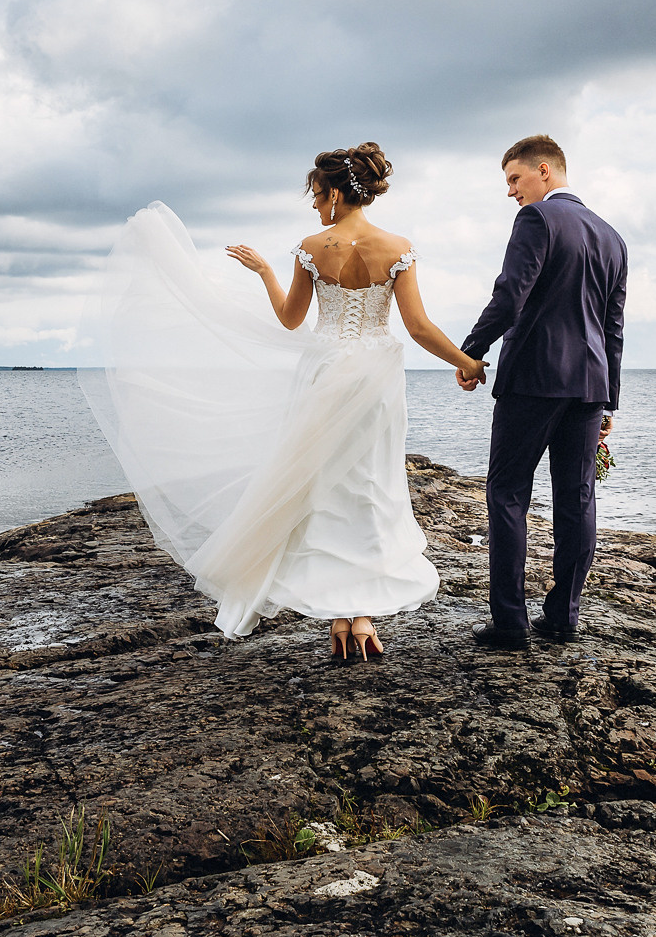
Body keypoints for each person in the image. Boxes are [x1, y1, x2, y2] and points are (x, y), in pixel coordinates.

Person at [80, 142, 483, 660]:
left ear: (336, 193)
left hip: (324, 371)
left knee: (323, 489)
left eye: (317, 196)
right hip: (376, 378)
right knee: (370, 485)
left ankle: (342, 615)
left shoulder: (312, 248)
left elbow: (291, 321)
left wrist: (268, 273)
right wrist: (466, 362)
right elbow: (419, 327)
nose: (315, 206)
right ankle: (361, 613)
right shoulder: (397, 246)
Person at [455, 134, 627, 650]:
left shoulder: (537, 220)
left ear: (545, 170)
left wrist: (470, 351)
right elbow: (613, 327)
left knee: (507, 494)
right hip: (590, 386)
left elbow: (511, 293)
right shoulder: (612, 236)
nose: (511, 192)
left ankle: (510, 622)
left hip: (533, 378)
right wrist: (609, 399)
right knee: (577, 498)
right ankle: (564, 617)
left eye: (515, 178)